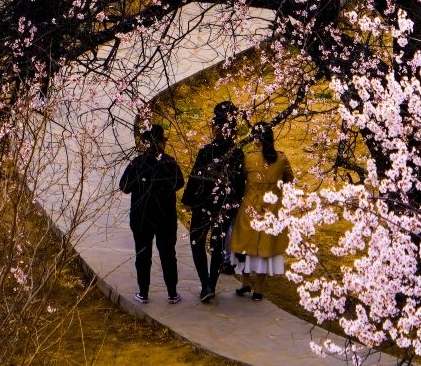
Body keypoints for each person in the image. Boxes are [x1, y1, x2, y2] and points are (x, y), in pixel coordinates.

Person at [183, 101, 248, 304]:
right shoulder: (237, 153)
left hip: (203, 204)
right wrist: (234, 203)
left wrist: (188, 200)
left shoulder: (206, 151)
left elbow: (195, 178)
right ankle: (211, 281)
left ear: (216, 128)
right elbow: (239, 184)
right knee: (217, 245)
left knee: (197, 243)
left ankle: (206, 284)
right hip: (224, 206)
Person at [118, 123, 184, 303]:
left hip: (142, 216)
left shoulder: (137, 163)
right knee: (168, 254)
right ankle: (172, 293)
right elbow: (179, 183)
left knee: (143, 254)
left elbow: (124, 186)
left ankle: (143, 293)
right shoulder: (170, 162)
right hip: (166, 217)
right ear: (161, 142)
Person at [228, 122, 295, 295]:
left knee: (245, 246)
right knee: (265, 249)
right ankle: (258, 288)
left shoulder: (248, 158)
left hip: (249, 205)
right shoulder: (280, 159)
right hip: (271, 208)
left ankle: (244, 282)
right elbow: (290, 178)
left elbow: (240, 178)